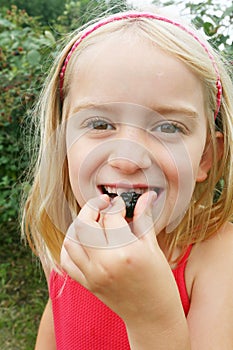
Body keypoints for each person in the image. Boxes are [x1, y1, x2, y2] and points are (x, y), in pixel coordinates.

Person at [22, 7, 233, 350]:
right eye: (100, 125)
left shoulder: (219, 257)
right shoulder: (68, 246)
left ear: (205, 157)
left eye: (168, 128)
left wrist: (152, 319)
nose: (128, 159)